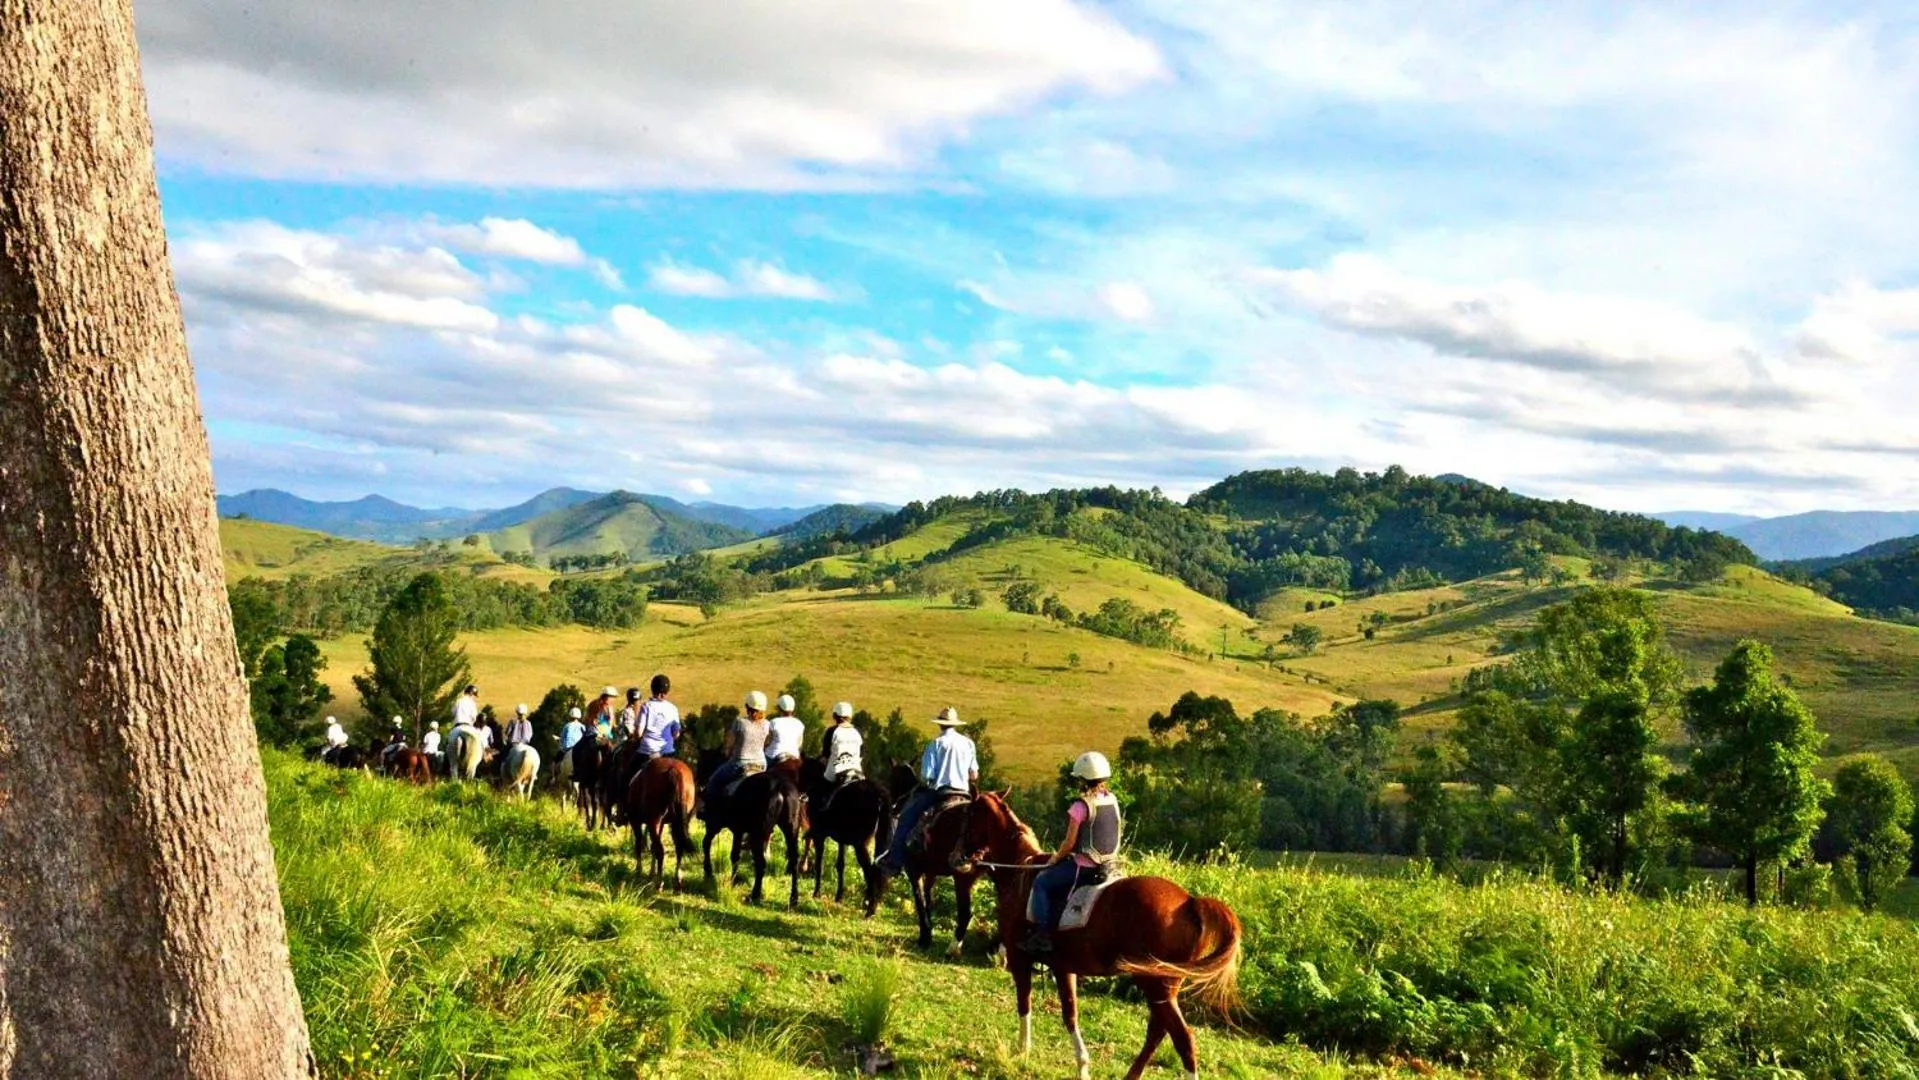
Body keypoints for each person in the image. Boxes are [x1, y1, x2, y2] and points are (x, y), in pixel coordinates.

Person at [1023, 751, 1123, 954]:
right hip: (1110, 865)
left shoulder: (1080, 806)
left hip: (1085, 868)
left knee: (1041, 883)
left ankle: (1043, 935)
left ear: (1083, 779)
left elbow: (1069, 843)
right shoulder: (1112, 799)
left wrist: (1054, 859)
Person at [878, 708, 977, 875]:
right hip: (964, 794)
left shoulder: (935, 744)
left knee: (906, 818)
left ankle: (894, 862)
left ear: (940, 724)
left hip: (942, 793)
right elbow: (974, 775)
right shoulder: (968, 743)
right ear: (955, 724)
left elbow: (926, 776)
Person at [705, 690, 769, 800]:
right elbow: (767, 743)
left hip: (740, 764)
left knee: (713, 781)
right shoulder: (768, 724)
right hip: (761, 765)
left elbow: (729, 744)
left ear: (747, 706)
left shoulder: (740, 722)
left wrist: (726, 751)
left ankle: (710, 806)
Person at [634, 674, 681, 762]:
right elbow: (676, 734)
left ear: (653, 689)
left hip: (647, 751)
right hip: (668, 752)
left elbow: (639, 733)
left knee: (629, 770)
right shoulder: (673, 708)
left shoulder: (646, 706)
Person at [824, 701, 864, 784]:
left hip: (834, 772)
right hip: (856, 770)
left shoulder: (832, 731)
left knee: (821, 788)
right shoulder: (858, 731)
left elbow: (826, 754)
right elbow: (862, 753)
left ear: (835, 716)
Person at [764, 693, 805, 771]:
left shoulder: (774, 722)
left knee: (760, 769)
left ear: (779, 708)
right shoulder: (800, 723)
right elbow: (799, 745)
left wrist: (763, 748)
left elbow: (767, 742)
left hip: (773, 755)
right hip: (794, 755)